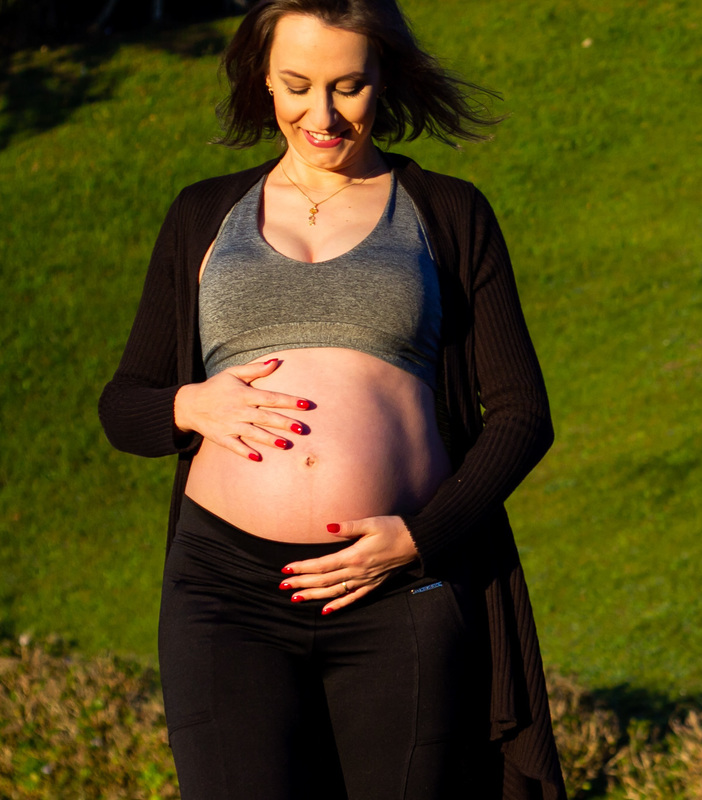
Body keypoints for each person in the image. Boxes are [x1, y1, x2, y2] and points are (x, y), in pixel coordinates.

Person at [97, 1, 567, 798]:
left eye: (349, 87)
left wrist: (420, 538)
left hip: (395, 588)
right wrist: (189, 407)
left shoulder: (448, 212)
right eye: (298, 86)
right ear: (263, 80)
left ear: (385, 78)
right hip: (225, 591)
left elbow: (522, 415)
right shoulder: (203, 214)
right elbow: (123, 406)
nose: (322, 115)